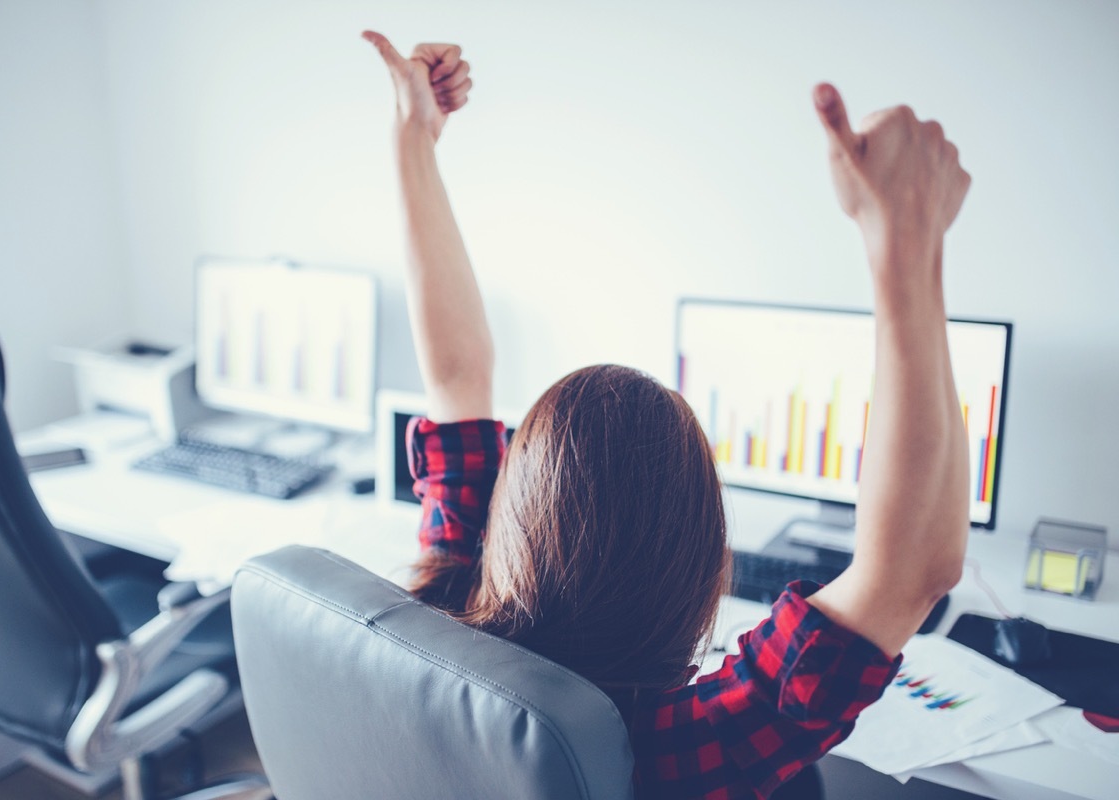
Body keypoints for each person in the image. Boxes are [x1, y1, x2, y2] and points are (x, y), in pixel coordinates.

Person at [363, 30, 971, 799]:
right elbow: (914, 569)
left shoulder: (443, 616)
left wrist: (412, 133)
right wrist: (909, 240)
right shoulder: (662, 752)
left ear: (512, 510)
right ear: (702, 569)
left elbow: (456, 376)